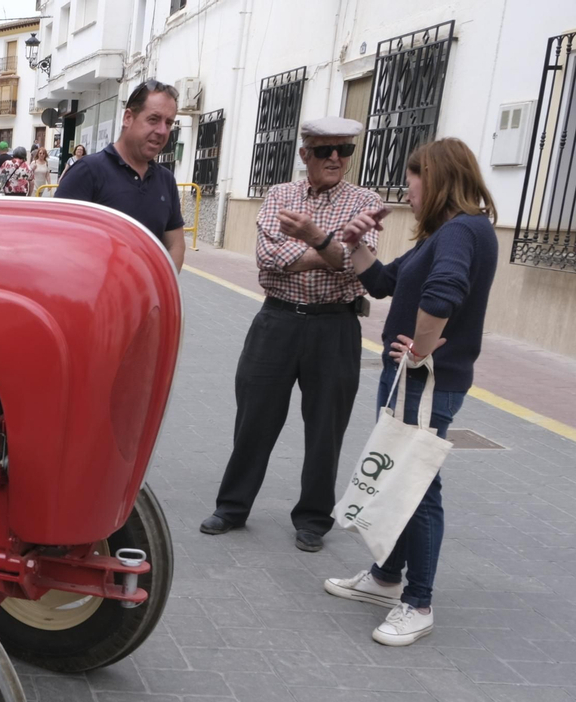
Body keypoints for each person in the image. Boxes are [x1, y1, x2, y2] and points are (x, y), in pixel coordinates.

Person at [323, 138, 498, 646]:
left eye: (413, 177)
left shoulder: (462, 231)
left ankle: (418, 602)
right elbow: (381, 283)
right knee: (402, 476)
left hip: (425, 380)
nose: (408, 188)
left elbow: (444, 294)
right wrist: (356, 243)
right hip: (414, 377)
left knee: (418, 485)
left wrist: (420, 353)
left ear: (438, 177)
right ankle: (384, 578)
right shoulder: (447, 233)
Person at [200, 117, 383, 552]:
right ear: (306, 155)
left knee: (326, 428)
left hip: (336, 326)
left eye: (344, 150)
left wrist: (313, 240)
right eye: (324, 150)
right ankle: (232, 506)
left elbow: (361, 261)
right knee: (254, 420)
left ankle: (314, 519)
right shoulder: (279, 195)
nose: (335, 158)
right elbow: (267, 257)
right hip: (276, 321)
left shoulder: (366, 201)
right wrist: (329, 249)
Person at [54, 80, 187, 270]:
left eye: (169, 122)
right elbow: (57, 241)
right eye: (153, 119)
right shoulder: (88, 172)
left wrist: (162, 285)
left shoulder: (166, 180)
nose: (162, 131)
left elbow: (175, 244)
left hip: (148, 298)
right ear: (127, 118)